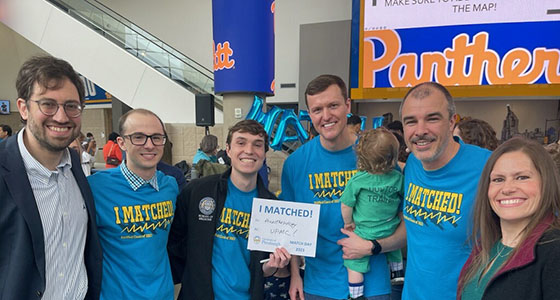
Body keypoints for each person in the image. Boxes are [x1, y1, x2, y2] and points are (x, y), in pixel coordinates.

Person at [282, 74, 402, 300]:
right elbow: (291, 228)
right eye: (317, 110)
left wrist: (374, 246)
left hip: (373, 284)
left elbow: (405, 222)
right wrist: (295, 275)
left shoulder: (378, 151)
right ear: (309, 114)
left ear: (347, 105)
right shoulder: (295, 164)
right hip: (319, 286)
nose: (326, 116)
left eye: (333, 106)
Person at [0, 55, 102, 299]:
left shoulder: (75, 165)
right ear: (23, 108)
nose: (61, 117)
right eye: (48, 104)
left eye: (71, 106)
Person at [168, 119, 290, 300]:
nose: (249, 150)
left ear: (264, 153)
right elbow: (174, 242)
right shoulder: (198, 191)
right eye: (241, 143)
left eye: (257, 145)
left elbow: (261, 268)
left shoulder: (272, 207)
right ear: (228, 149)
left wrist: (273, 266)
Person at [398, 82, 491, 300]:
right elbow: (416, 228)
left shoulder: (489, 167)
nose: (420, 131)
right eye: (411, 121)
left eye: (432, 118)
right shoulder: (413, 163)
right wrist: (373, 246)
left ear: (451, 122)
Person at [88, 109, 179, 300]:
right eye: (138, 137)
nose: (149, 145)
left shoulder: (170, 186)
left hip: (163, 294)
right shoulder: (96, 188)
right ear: (121, 142)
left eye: (156, 137)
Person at [457, 137, 560, 299]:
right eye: (498, 179)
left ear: (546, 183)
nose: (508, 188)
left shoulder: (554, 251)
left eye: (522, 177)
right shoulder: (487, 246)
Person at [340, 128, 404, 300]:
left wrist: (348, 222)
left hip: (364, 232)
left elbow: (346, 204)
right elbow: (401, 200)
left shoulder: (358, 180)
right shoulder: (398, 178)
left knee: (354, 263)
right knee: (394, 247)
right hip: (390, 227)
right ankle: (397, 271)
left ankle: (356, 294)